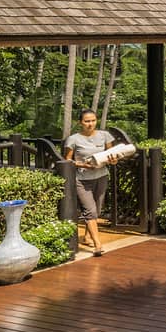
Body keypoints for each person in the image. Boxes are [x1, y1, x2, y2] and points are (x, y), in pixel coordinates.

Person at [63, 109, 117, 256]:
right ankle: (97, 245)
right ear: (80, 122)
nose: (90, 124)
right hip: (82, 179)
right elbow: (67, 160)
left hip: (101, 176)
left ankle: (87, 236)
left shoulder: (105, 136)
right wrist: (82, 165)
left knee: (98, 210)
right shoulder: (73, 139)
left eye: (92, 120)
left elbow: (111, 156)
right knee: (90, 211)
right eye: (87, 121)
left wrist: (113, 160)